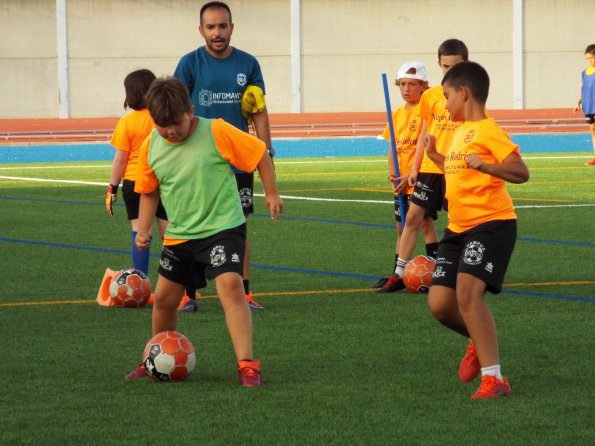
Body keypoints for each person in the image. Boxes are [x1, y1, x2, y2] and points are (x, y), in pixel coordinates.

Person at [125, 76, 283, 386]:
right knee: (164, 300)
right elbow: (148, 190)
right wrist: (144, 229)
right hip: (180, 234)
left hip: (222, 227)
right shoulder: (151, 146)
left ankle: (247, 365)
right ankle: (154, 357)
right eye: (162, 126)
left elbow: (259, 154)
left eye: (177, 125)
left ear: (190, 111)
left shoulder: (216, 130)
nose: (171, 132)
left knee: (230, 286)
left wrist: (272, 193)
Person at [425, 61, 529, 399]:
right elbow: (459, 171)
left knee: (468, 294)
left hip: (491, 224)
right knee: (440, 304)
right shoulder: (458, 132)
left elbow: (519, 170)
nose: (444, 104)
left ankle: (494, 379)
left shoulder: (488, 130)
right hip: (457, 227)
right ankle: (477, 342)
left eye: (447, 96)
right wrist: (436, 156)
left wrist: (487, 165)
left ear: (464, 93)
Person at [173, 1, 273, 312]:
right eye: (211, 27)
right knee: (191, 224)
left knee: (239, 225)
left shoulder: (248, 64)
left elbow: (258, 110)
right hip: (198, 161)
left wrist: (266, 150)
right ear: (200, 29)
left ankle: (244, 294)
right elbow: (175, 109)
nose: (218, 32)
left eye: (223, 26)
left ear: (232, 27)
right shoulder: (189, 64)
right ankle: (190, 294)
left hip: (237, 160)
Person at [377, 39, 468, 293]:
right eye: (445, 65)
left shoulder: (470, 93)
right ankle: (397, 274)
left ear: (466, 64)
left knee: (458, 221)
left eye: (454, 65)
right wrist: (415, 168)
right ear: (439, 65)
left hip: (455, 167)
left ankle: (455, 272)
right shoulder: (431, 96)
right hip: (429, 167)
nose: (449, 70)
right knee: (414, 218)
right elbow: (424, 136)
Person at [375, 61, 439, 291]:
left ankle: (437, 272)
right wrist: (393, 175)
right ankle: (397, 274)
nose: (406, 89)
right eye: (402, 84)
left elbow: (423, 146)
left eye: (412, 84)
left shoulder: (427, 112)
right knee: (401, 227)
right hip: (401, 180)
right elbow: (393, 147)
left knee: (424, 225)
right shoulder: (397, 114)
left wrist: (412, 172)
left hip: (419, 177)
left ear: (424, 86)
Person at [106, 69, 168, 275]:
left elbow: (120, 159)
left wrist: (112, 187)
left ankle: (140, 280)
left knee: (140, 232)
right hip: (164, 180)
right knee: (170, 232)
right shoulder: (163, 117)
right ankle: (179, 282)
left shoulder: (127, 122)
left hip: (134, 182)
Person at [573, 44, 595, 166]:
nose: (589, 61)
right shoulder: (585, 73)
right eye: (587, 58)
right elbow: (584, 89)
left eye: (592, 58)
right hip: (588, 106)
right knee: (593, 130)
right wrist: (578, 102)